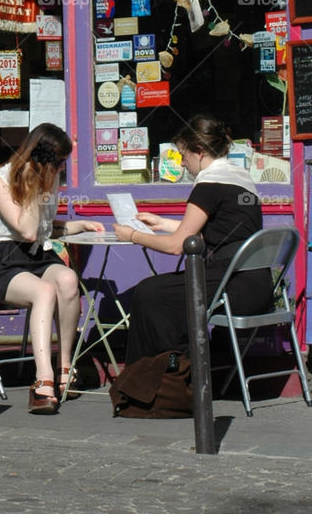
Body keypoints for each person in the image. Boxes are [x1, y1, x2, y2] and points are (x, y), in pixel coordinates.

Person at [114, 113, 273, 364]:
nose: (182, 164)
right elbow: (217, 229)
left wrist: (133, 235)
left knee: (149, 293)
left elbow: (178, 246)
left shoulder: (209, 185)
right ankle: (187, 369)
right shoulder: (240, 179)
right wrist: (162, 223)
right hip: (257, 285)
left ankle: (171, 375)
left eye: (183, 155)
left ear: (198, 152)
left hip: (232, 286)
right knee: (168, 293)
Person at [0, 123, 105, 414]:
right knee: (45, 291)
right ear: (41, 159)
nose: (60, 170)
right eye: (58, 163)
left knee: (68, 280)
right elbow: (26, 229)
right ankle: (43, 379)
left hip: (36, 256)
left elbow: (43, 229)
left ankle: (65, 368)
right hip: (4, 259)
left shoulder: (50, 178)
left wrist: (76, 226)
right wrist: (35, 184)